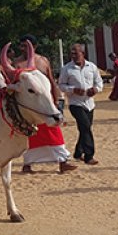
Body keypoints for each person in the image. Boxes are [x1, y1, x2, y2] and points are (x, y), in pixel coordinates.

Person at [16, 35, 77, 174]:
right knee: (31, 134)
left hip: (47, 104)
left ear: (34, 46)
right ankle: (27, 164)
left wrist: (57, 101)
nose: (23, 48)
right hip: (30, 106)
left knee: (54, 131)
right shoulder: (17, 64)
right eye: (22, 46)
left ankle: (63, 161)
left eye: (26, 45)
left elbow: (51, 81)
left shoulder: (43, 61)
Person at [59, 43, 104, 165]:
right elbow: (61, 85)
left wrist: (95, 90)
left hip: (90, 103)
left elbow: (99, 83)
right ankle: (89, 155)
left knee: (85, 128)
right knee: (85, 127)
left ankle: (78, 152)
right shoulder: (67, 69)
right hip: (75, 103)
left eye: (76, 53)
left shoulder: (92, 67)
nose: (73, 56)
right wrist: (73, 89)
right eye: (72, 53)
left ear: (83, 53)